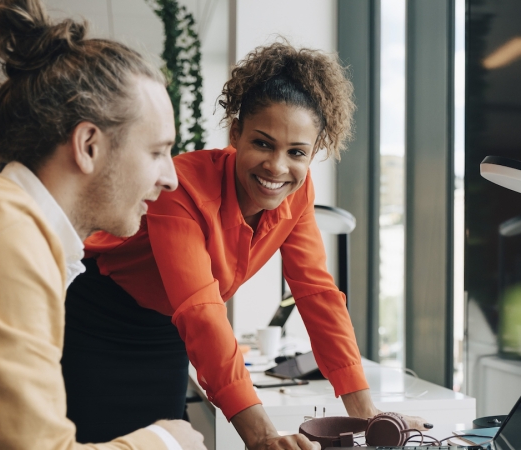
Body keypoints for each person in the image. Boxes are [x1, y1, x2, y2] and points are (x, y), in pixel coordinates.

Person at [62, 42, 428, 449]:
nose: (277, 167)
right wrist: (263, 436)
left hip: (167, 333)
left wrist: (364, 409)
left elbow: (317, 293)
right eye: (263, 143)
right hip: (99, 320)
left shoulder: (298, 194)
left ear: (315, 152)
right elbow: (201, 310)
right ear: (235, 133)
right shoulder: (180, 187)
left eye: (297, 153)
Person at [0, 1, 207, 449]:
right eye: (157, 152)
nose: (170, 178)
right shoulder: (2, 235)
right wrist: (166, 441)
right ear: (89, 146)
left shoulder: (12, 227)